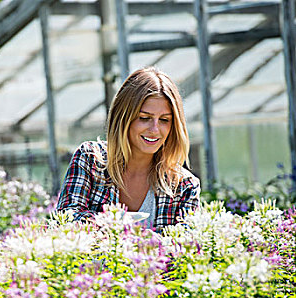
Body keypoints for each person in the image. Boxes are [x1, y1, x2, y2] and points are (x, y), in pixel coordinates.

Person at [56, 66, 200, 230]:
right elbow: (67, 218)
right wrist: (115, 226)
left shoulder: (184, 186)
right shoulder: (90, 160)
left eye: (164, 120)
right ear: (124, 117)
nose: (154, 129)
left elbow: (189, 245)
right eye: (144, 118)